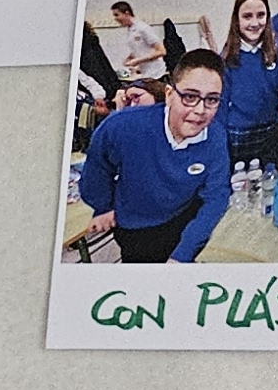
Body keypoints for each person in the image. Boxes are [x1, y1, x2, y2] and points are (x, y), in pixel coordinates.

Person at [75, 49, 231, 260]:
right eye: (190, 97)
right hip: (137, 227)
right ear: (169, 95)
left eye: (212, 99)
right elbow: (98, 167)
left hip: (185, 217)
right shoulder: (122, 126)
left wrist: (183, 252)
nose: (200, 110)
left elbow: (216, 196)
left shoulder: (215, 136)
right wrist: (103, 206)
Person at [218, 0, 278, 149]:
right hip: (239, 132)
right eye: (247, 16)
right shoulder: (227, 57)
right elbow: (221, 104)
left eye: (260, 15)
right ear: (237, 19)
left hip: (274, 129)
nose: (254, 23)